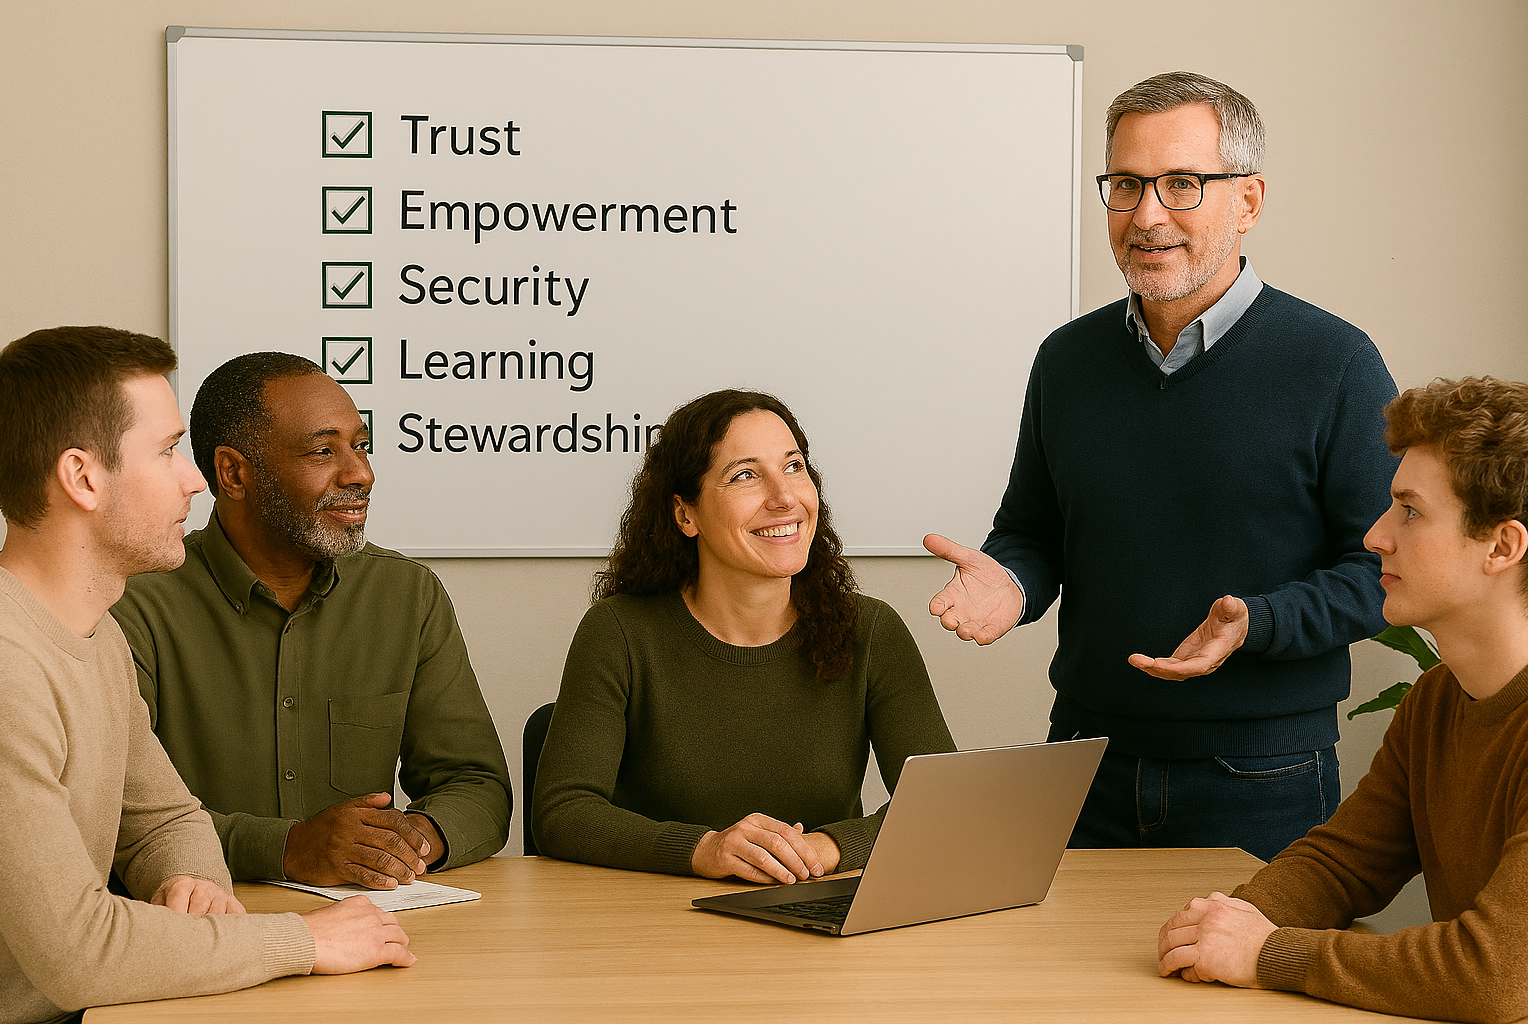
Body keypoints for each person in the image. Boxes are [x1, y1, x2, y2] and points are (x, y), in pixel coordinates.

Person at [924, 71, 1398, 861]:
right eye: (1126, 184)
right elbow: (1033, 532)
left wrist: (1259, 622)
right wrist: (1012, 582)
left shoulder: (1335, 363)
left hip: (1263, 777)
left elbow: (1387, 568)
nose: (1147, 215)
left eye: (1183, 184)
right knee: (1065, 990)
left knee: (1248, 986)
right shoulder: (1066, 361)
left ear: (1247, 202)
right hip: (1083, 767)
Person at [0, 327, 413, 1024]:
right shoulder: (4, 666)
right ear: (82, 477)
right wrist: (303, 940)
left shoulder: (93, 634)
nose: (195, 479)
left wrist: (195, 885)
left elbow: (166, 819)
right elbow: (77, 952)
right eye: (165, 452)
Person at [1157, 377, 1528, 1023]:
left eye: (1410, 511)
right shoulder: (1439, 699)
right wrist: (1229, 924)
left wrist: (1267, 953)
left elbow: (1496, 974)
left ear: (1501, 546)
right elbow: (1342, 863)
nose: (1376, 536)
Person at [110, 352, 510, 889]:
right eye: (323, 451)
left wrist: (400, 844)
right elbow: (111, 815)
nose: (361, 473)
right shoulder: (133, 605)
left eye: (361, 446)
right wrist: (289, 849)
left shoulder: (406, 594)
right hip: (196, 928)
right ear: (233, 472)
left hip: (374, 928)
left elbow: (476, 784)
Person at [532, 389, 956, 883]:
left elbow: (942, 801)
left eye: (794, 467)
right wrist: (704, 849)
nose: (783, 498)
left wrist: (827, 848)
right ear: (685, 514)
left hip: (822, 924)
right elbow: (563, 812)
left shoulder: (872, 631)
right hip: (655, 926)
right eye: (746, 476)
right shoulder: (620, 633)